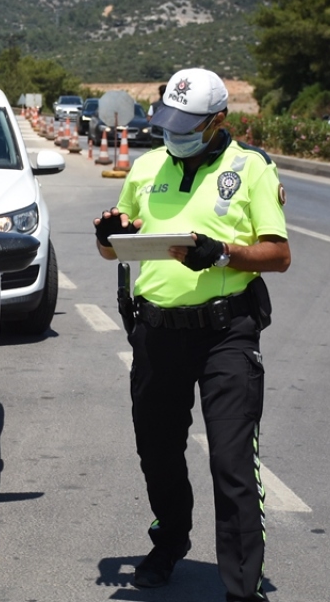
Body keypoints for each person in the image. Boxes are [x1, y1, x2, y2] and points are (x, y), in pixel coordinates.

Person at [93, 67, 290, 600]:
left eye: (186, 124)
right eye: (167, 121)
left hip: (227, 334)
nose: (173, 132)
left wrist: (222, 252)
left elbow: (279, 253)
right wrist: (107, 236)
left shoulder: (249, 169)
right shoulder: (147, 165)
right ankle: (170, 539)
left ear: (219, 120)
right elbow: (116, 246)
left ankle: (242, 588)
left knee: (230, 461)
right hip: (157, 332)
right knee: (157, 451)